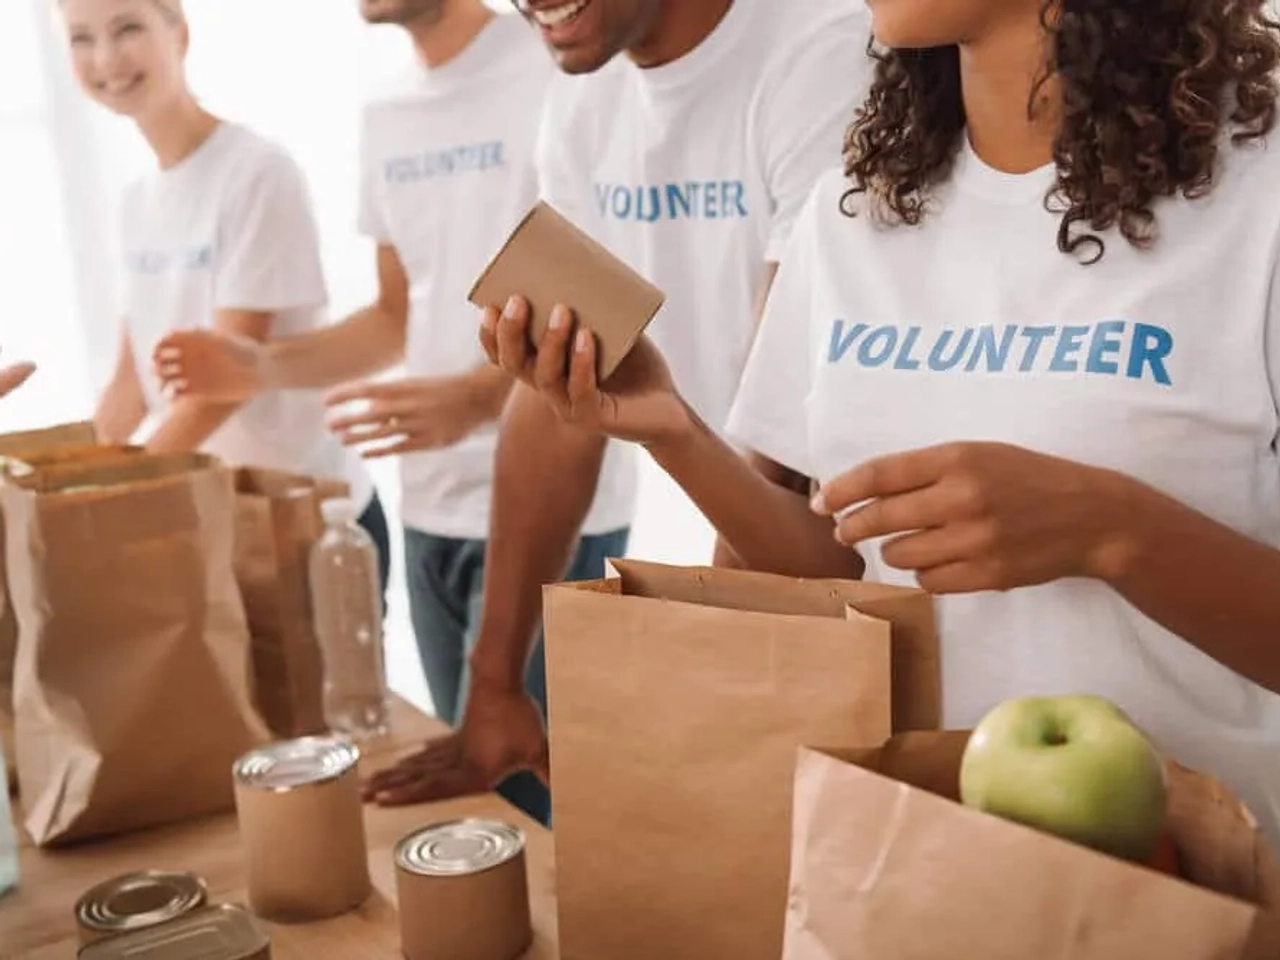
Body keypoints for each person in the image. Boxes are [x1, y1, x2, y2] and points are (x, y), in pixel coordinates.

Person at [482, 0, 1280, 847]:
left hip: (1203, 881)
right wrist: (674, 432)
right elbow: (850, 575)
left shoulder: (1259, 198)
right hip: (917, 872)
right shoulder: (855, 213)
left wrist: (1117, 532)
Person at [359, 0, 875, 812]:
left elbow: (780, 435)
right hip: (758, 572)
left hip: (862, 585)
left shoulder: (819, 52)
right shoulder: (581, 100)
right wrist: (492, 687)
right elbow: (557, 403)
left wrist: (700, 689)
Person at [149, 0, 564, 824]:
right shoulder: (388, 112)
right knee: (486, 814)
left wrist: (481, 398)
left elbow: (601, 278)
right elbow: (393, 319)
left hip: (555, 496)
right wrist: (263, 366)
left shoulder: (553, 65)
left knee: (552, 808)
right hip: (429, 507)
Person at [59, 0, 390, 596]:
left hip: (307, 517)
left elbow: (220, 388)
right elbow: (133, 386)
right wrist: (64, 485)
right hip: (216, 518)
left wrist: (111, 501)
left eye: (127, 27)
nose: (105, 58)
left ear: (179, 32)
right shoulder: (137, 200)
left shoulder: (255, 173)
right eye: (81, 38)